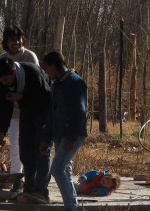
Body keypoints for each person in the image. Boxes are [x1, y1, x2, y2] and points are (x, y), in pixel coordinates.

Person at [0, 57, 52, 204]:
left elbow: (46, 100)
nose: (3, 83)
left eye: (6, 79)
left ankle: (42, 191)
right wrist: (2, 131)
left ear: (14, 71)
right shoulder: (1, 80)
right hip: (26, 111)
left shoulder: (33, 73)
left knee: (42, 149)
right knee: (25, 150)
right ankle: (29, 188)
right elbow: (4, 106)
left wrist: (21, 97)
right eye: (1, 80)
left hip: (44, 112)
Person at [40, 51, 88, 211]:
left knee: (57, 169)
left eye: (46, 68)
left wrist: (72, 136)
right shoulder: (57, 85)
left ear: (54, 66)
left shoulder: (75, 82)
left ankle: (70, 207)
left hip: (72, 134)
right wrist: (47, 138)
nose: (46, 72)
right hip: (60, 134)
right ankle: (72, 205)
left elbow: (79, 112)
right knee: (65, 169)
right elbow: (52, 113)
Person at [0, 25, 38, 194]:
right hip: (11, 110)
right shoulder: (2, 58)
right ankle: (16, 178)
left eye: (19, 38)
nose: (17, 42)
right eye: (13, 39)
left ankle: (32, 179)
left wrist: (22, 98)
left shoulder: (29, 56)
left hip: (29, 109)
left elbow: (36, 84)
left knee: (30, 145)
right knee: (14, 145)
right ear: (6, 42)